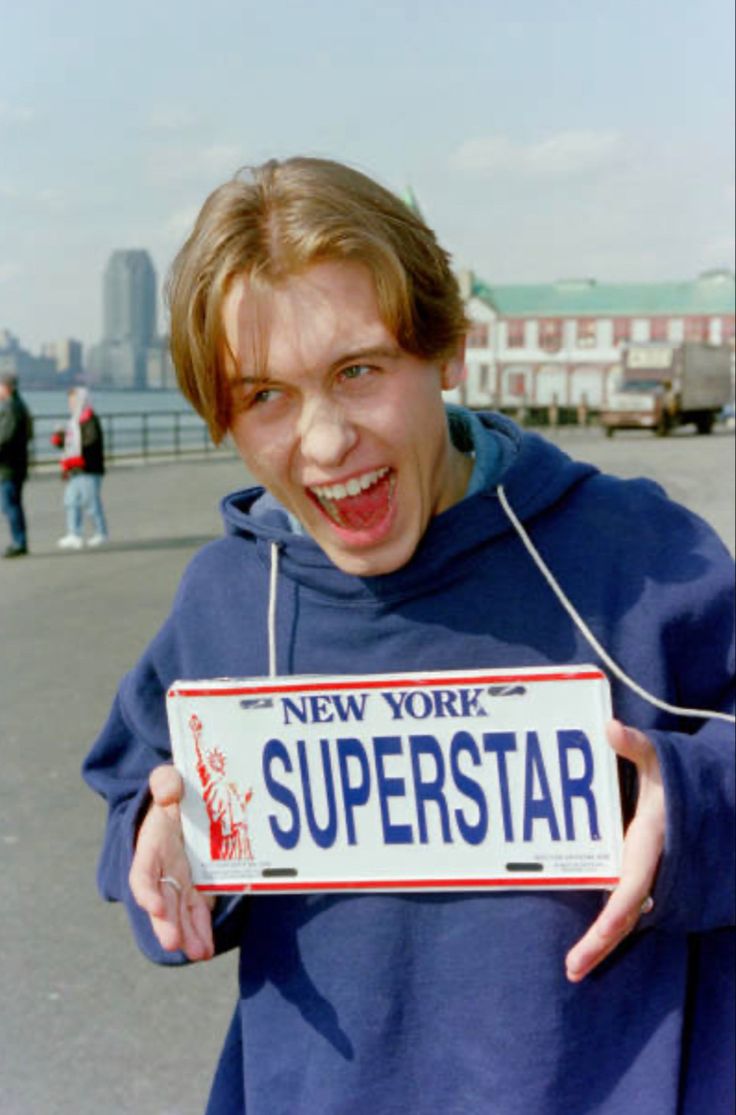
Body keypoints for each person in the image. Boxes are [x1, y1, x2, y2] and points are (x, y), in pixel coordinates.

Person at [82, 157, 735, 1115]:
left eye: (359, 371)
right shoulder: (230, 598)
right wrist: (158, 845)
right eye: (264, 394)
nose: (324, 442)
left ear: (447, 350)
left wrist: (693, 810)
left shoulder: (636, 557)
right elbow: (134, 795)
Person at [51, 385, 108, 549]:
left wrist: (76, 456)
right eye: (69, 400)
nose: (70, 403)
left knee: (91, 502)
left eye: (73, 400)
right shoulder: (74, 421)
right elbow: (71, 444)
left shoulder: (90, 419)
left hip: (89, 469)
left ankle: (101, 532)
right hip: (75, 470)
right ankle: (74, 534)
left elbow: (90, 441)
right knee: (71, 501)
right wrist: (60, 440)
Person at [0, 371, 33, 558]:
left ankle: (19, 542)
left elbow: (6, 437)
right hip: (15, 463)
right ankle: (19, 541)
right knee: (12, 504)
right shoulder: (19, 406)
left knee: (10, 505)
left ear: (7, 388)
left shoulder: (11, 408)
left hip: (9, 465)